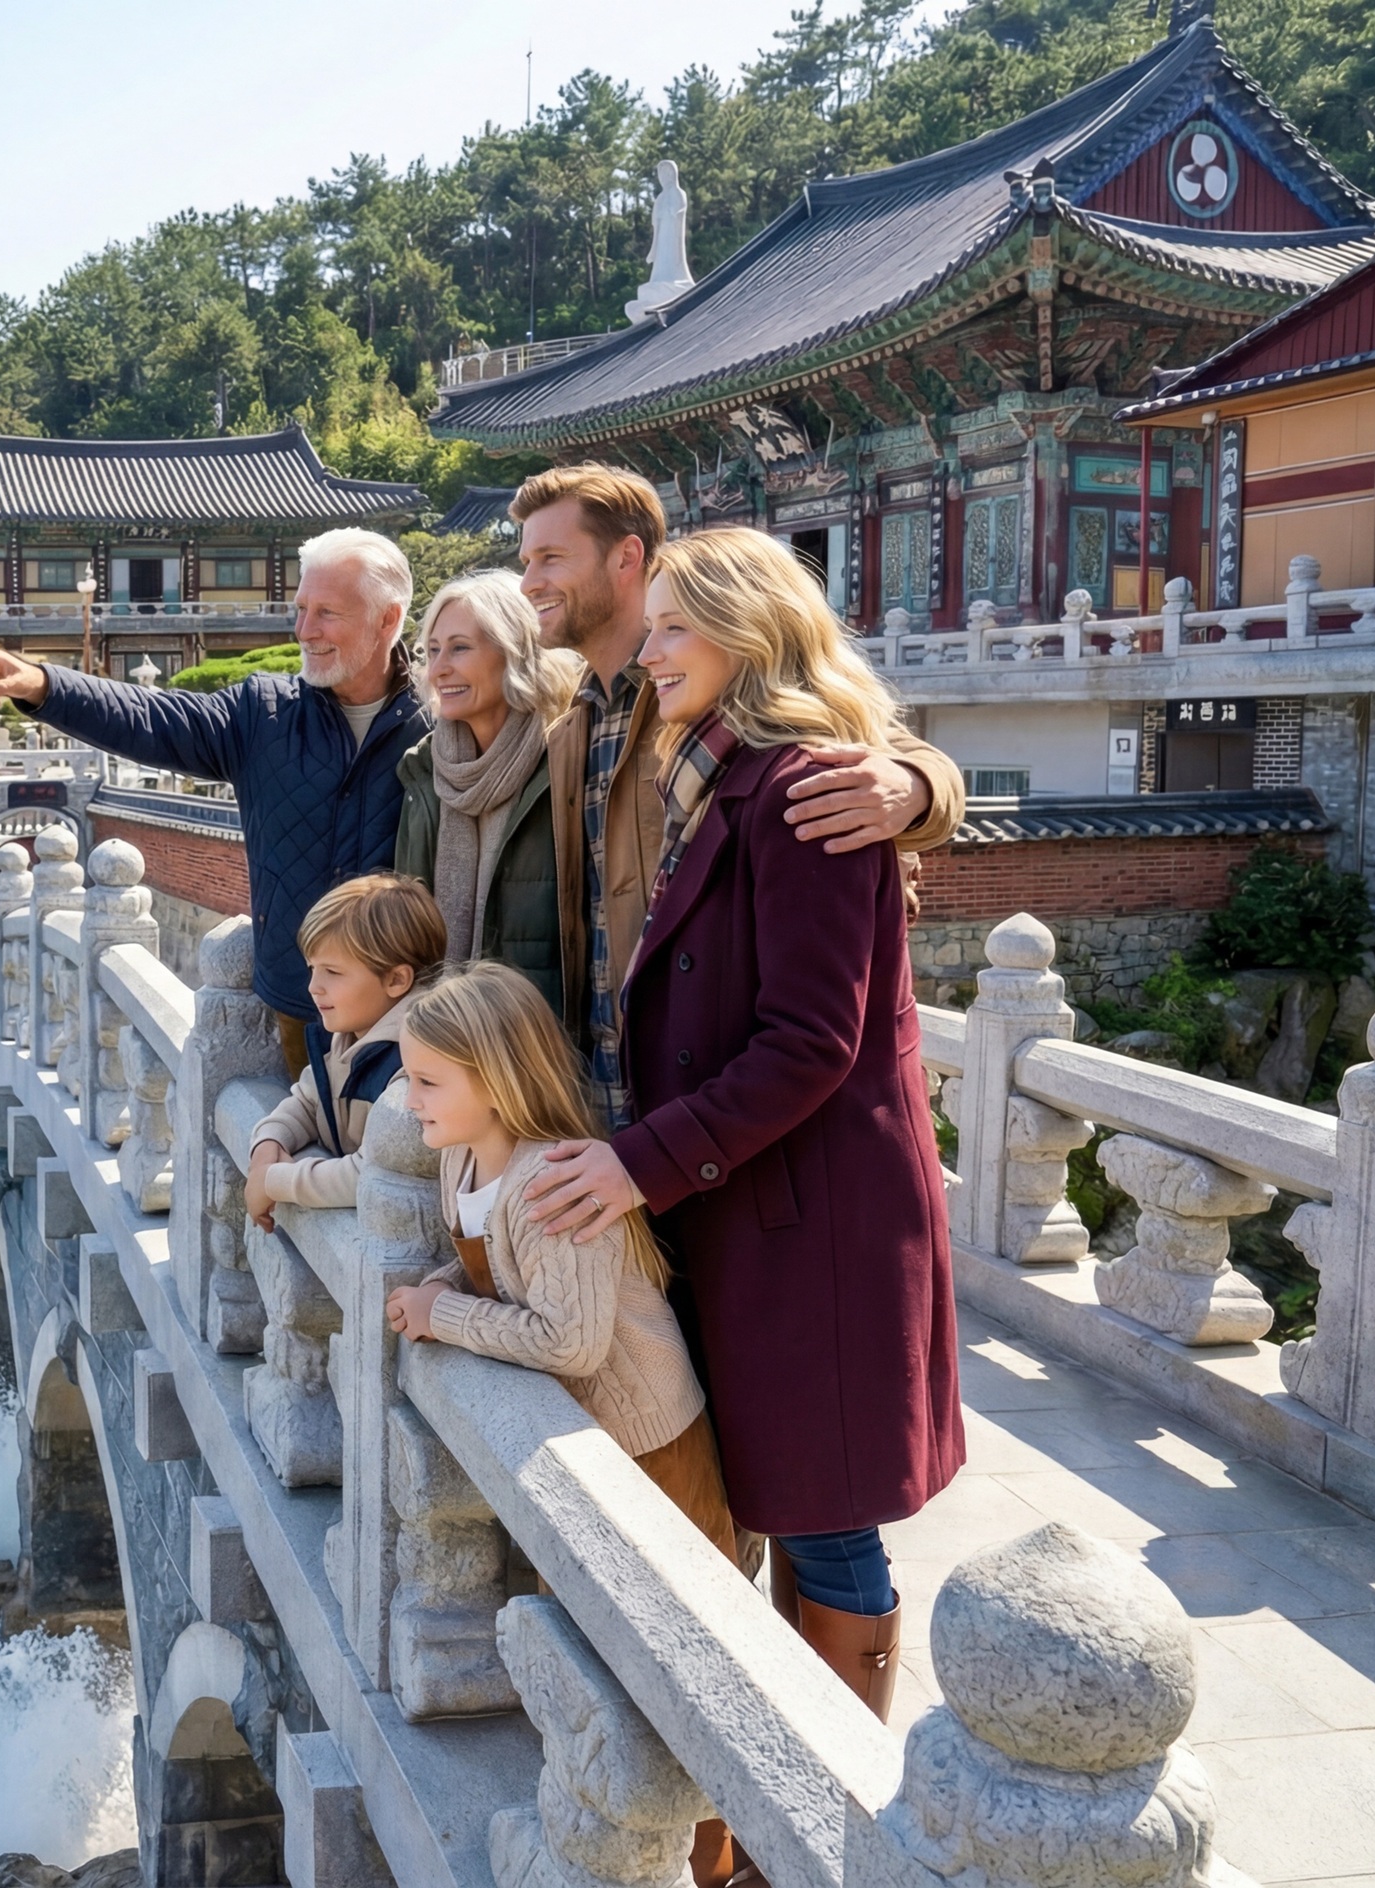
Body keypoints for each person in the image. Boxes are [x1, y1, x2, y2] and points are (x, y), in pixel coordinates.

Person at [521, 526, 965, 1754]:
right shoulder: (721, 771)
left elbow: (811, 1041)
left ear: (747, 632)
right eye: (649, 623)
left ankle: (816, 1815)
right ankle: (763, 1801)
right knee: (778, 1495)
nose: (650, 651)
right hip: (752, 1198)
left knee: (823, 1518)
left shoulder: (803, 785)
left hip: (810, 1216)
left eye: (674, 627)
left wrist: (632, 1163)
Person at [507, 466, 963, 1114]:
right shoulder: (573, 723)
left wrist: (915, 783)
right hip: (612, 1094)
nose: (529, 583)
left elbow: (859, 737)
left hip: (713, 1096)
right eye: (525, 561)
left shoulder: (708, 684)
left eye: (550, 557)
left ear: (626, 557)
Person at [0, 529, 424, 1076]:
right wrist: (42, 684)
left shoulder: (440, 726)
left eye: (327, 613)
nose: (304, 630)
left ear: (388, 619)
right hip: (303, 1006)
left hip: (414, 1013)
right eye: (300, 609)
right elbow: (154, 718)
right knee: (300, 1145)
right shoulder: (264, 714)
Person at [381, 963, 734, 1558]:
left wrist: (440, 1314)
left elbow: (570, 1342)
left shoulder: (551, 1184)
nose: (410, 1100)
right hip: (578, 1439)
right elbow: (497, 1271)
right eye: (408, 1078)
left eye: (428, 1082)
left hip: (647, 1447)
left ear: (496, 1082)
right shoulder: (458, 1158)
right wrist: (438, 1289)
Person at [393, 570, 583, 1015]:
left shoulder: (568, 759)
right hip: (440, 1029)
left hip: (539, 1037)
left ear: (516, 652)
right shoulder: (424, 772)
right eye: (433, 650)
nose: (439, 668)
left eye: (460, 648)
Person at [244, 873, 445, 1231]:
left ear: (397, 980)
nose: (313, 987)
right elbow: (306, 1102)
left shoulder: (419, 1062)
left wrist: (276, 1181)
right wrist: (267, 1145)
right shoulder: (347, 1035)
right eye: (312, 969)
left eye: (333, 972)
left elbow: (374, 1172)